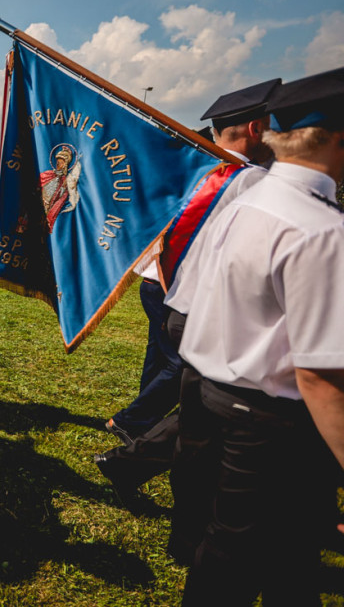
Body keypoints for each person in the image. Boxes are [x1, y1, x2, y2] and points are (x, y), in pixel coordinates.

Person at [165, 67, 344, 604]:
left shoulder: (242, 196)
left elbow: (188, 299)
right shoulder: (320, 230)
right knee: (237, 560)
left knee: (249, 554)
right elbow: (320, 377)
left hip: (206, 397)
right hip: (267, 422)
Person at [103, 79, 281, 446]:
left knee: (161, 359)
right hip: (183, 286)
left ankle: (139, 422)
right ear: (256, 128)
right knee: (186, 363)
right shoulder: (249, 180)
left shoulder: (199, 168)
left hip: (157, 281)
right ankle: (133, 422)